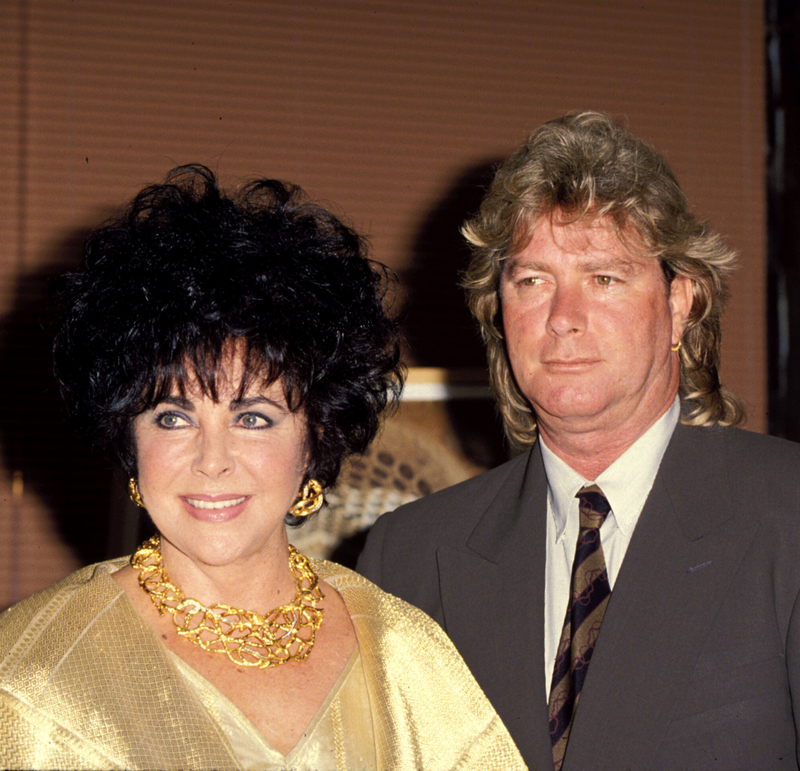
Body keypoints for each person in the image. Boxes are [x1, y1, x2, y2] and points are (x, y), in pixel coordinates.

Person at [0, 166, 526, 771]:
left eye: (253, 418)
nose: (212, 461)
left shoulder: (404, 653)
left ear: (316, 435)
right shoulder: (38, 675)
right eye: (173, 417)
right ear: (127, 434)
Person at [358, 112, 800, 770]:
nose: (563, 318)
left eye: (604, 278)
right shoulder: (409, 559)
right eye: (532, 280)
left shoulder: (786, 514)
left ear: (681, 302)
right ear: (498, 309)